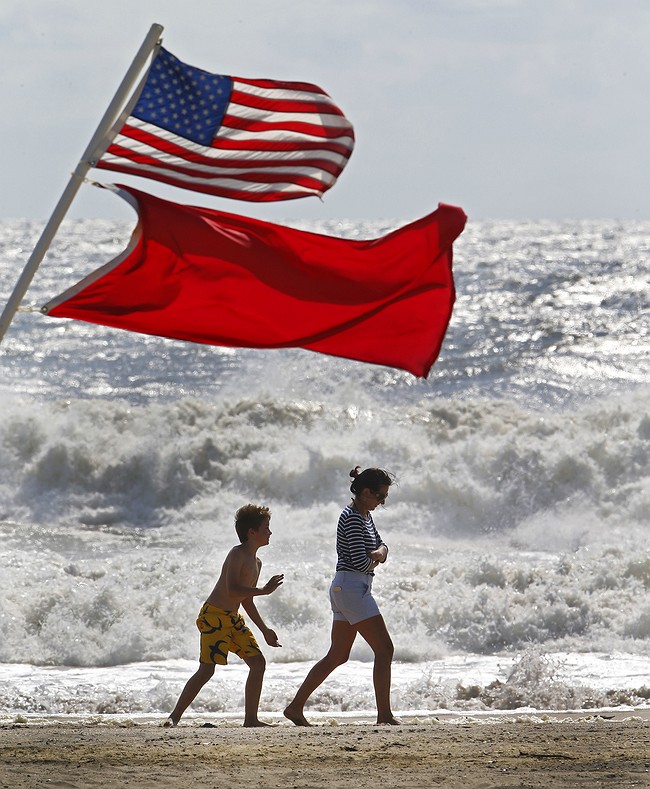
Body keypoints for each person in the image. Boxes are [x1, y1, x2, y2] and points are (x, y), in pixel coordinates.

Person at [284, 466, 400, 726]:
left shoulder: (365, 515)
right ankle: (384, 715)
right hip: (351, 587)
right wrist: (379, 555)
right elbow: (361, 561)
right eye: (380, 496)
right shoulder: (351, 517)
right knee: (385, 649)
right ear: (366, 492)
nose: (382, 502)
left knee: (337, 655)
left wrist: (381, 552)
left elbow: (381, 544)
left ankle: (294, 707)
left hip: (348, 587)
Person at [164, 504, 284, 727]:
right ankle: (174, 716)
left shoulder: (257, 563)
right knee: (207, 670)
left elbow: (245, 600)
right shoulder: (237, 554)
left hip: (233, 619)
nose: (270, 532)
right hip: (214, 616)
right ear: (252, 532)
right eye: (266, 528)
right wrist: (264, 591)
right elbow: (232, 590)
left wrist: (265, 629)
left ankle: (251, 719)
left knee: (258, 663)